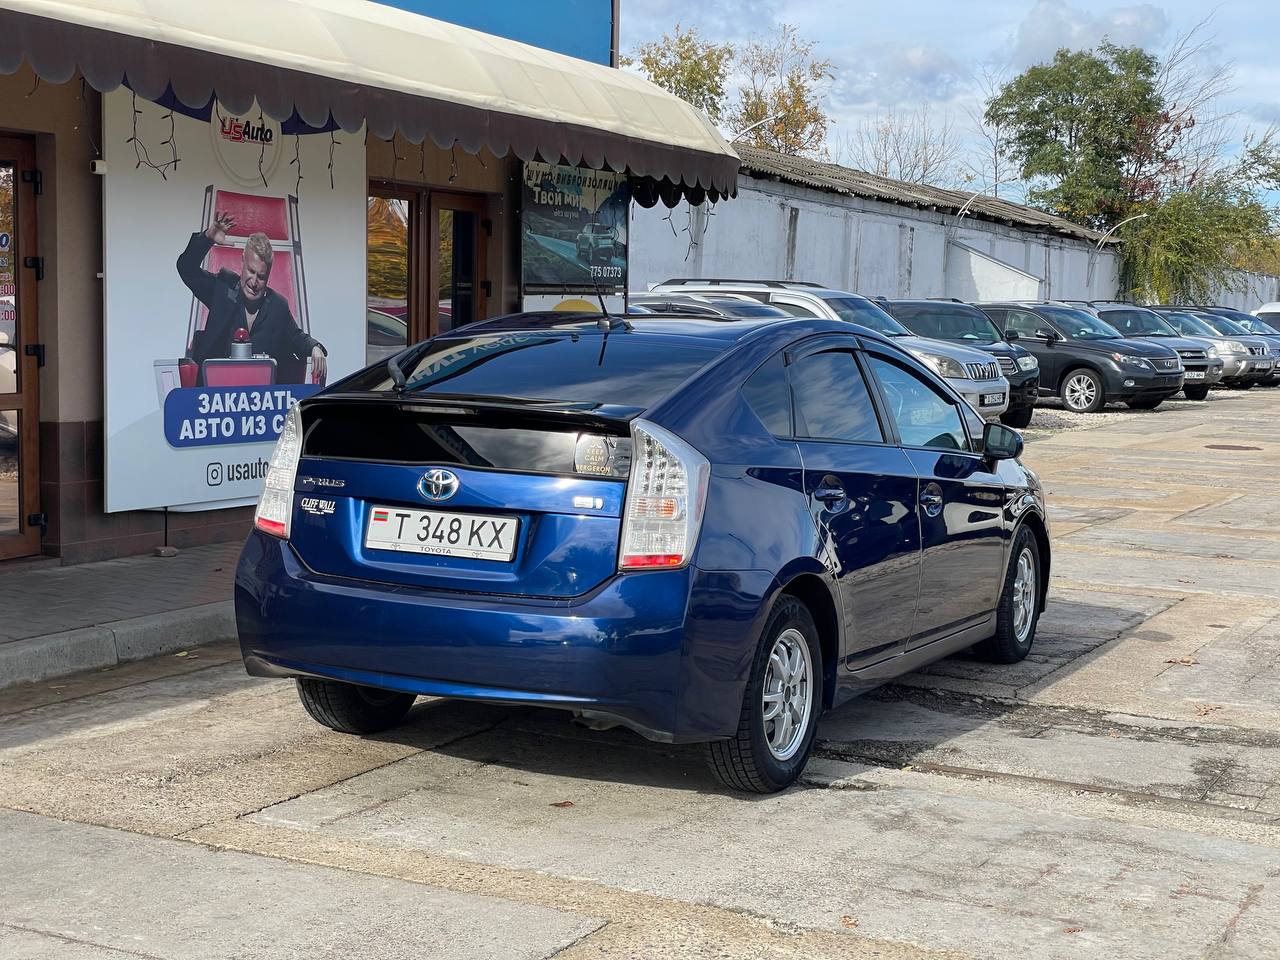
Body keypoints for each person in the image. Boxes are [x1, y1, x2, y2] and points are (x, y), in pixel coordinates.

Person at [176, 211, 326, 384]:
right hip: (214, 398)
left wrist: (315, 347)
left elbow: (297, 338)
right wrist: (207, 238)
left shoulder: (278, 306)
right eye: (251, 271)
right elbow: (186, 269)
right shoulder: (223, 289)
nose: (254, 282)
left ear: (269, 274)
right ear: (243, 262)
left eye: (261, 276)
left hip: (257, 403)